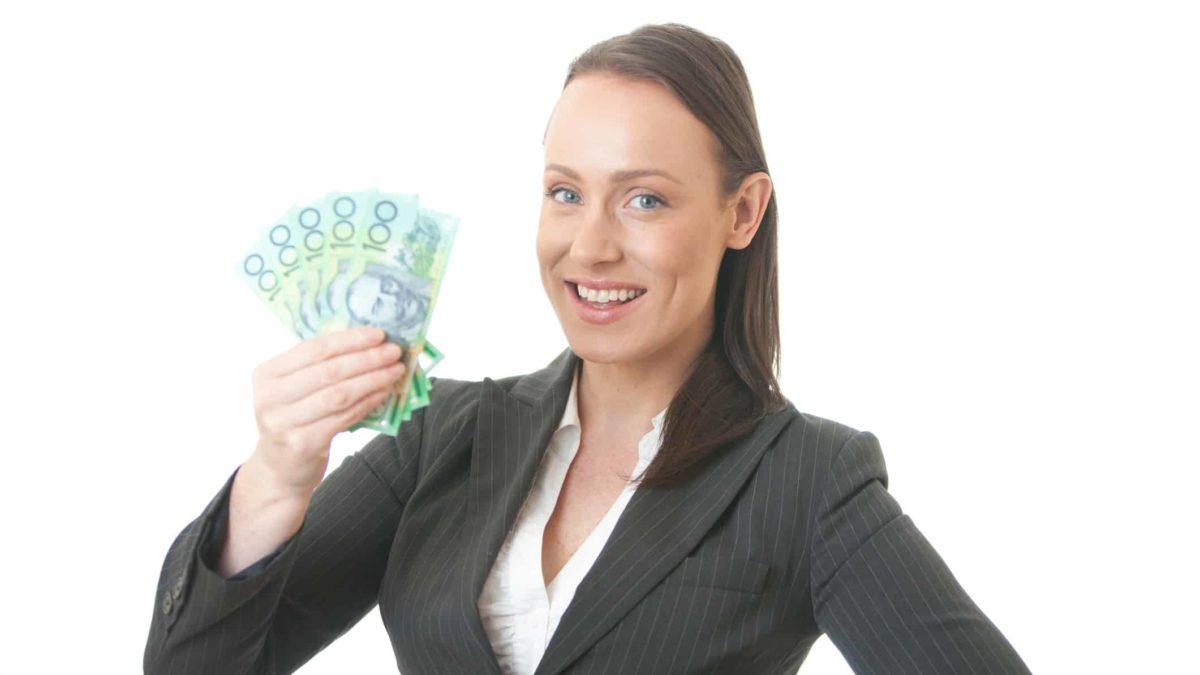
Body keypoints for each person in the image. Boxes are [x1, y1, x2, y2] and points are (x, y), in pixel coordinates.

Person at [144, 22, 1031, 675]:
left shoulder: (808, 480)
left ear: (742, 212)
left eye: (644, 199)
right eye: (565, 193)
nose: (591, 246)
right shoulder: (442, 436)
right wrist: (277, 476)